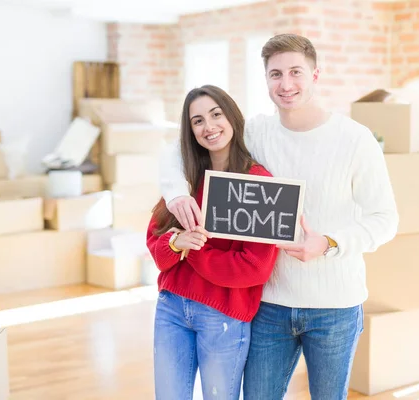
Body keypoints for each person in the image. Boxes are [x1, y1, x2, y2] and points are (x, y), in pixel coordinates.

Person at [159, 34, 399, 399]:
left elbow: (385, 219)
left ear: (316, 75)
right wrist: (176, 192)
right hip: (270, 305)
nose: (286, 85)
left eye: (295, 72)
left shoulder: (355, 139)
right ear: (266, 79)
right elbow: (181, 149)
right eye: (275, 75)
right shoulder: (255, 132)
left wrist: (329, 243)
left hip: (334, 307)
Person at [147, 84, 279, 400]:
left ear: (231, 116)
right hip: (172, 309)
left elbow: (256, 268)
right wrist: (177, 243)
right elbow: (156, 243)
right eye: (198, 121)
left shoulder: (258, 181)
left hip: (224, 317)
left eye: (216, 115)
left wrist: (194, 253)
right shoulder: (184, 177)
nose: (209, 127)